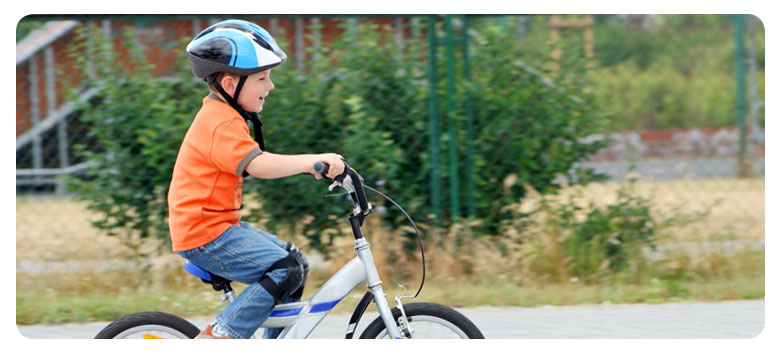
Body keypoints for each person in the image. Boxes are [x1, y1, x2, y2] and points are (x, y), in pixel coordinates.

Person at [168, 19, 345, 339]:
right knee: (285, 269)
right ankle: (220, 335)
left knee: (296, 265)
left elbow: (253, 163)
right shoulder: (219, 123)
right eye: (262, 78)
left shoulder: (226, 117)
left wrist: (309, 165)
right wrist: (313, 161)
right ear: (231, 84)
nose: (270, 86)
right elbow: (259, 165)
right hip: (206, 234)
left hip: (218, 227)